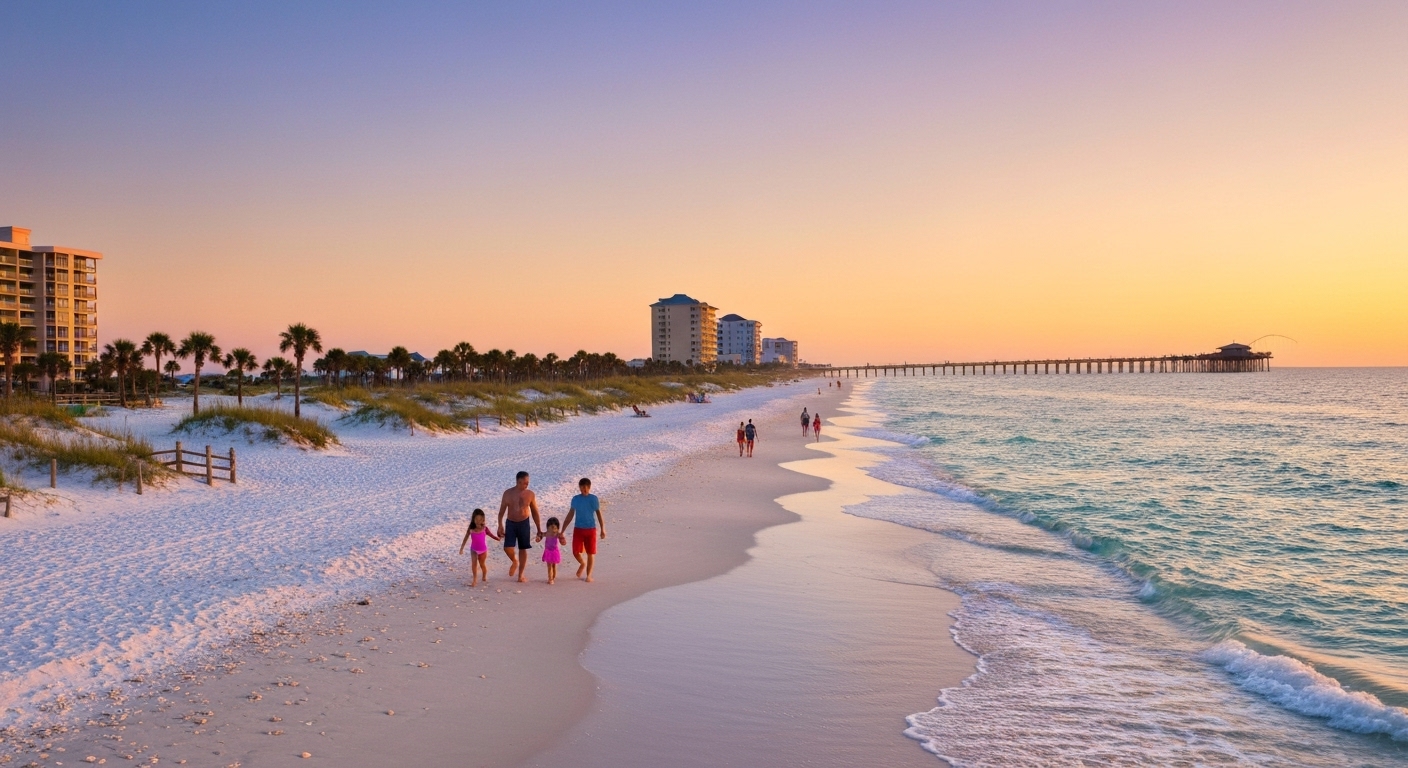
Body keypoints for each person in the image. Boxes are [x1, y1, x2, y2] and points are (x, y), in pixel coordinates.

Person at [497, 471, 542, 583]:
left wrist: (539, 529)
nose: (526, 485)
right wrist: (500, 525)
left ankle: (521, 575)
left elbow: (535, 512)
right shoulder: (507, 493)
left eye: (528, 483)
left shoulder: (530, 494)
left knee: (523, 548)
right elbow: (501, 511)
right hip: (511, 523)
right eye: (525, 483)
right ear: (518, 481)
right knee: (507, 547)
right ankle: (514, 561)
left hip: (524, 523)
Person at [563, 477, 607, 582]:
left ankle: (589, 575)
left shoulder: (593, 499)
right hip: (578, 529)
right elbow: (570, 514)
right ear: (579, 488)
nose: (584, 490)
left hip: (591, 529)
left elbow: (599, 514)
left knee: (590, 552)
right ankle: (582, 563)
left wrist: (602, 529)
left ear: (589, 487)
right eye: (582, 488)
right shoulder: (576, 499)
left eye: (586, 488)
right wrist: (562, 530)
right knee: (575, 551)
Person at [458, 508, 501, 586]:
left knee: (482, 564)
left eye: (480, 519)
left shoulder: (484, 528)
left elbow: (491, 535)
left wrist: (497, 538)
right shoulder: (471, 528)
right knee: (474, 564)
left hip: (483, 550)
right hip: (473, 549)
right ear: (473, 519)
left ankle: (484, 575)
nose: (478, 521)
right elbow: (465, 538)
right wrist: (461, 548)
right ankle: (474, 580)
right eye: (476, 519)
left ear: (483, 519)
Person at [537, 517, 567, 584]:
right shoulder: (546, 533)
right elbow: (539, 537)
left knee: (554, 565)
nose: (553, 530)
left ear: (557, 528)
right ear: (548, 528)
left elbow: (563, 542)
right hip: (548, 551)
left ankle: (553, 576)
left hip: (554, 551)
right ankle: (550, 578)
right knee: (549, 566)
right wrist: (538, 538)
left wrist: (563, 541)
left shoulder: (557, 534)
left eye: (555, 528)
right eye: (551, 528)